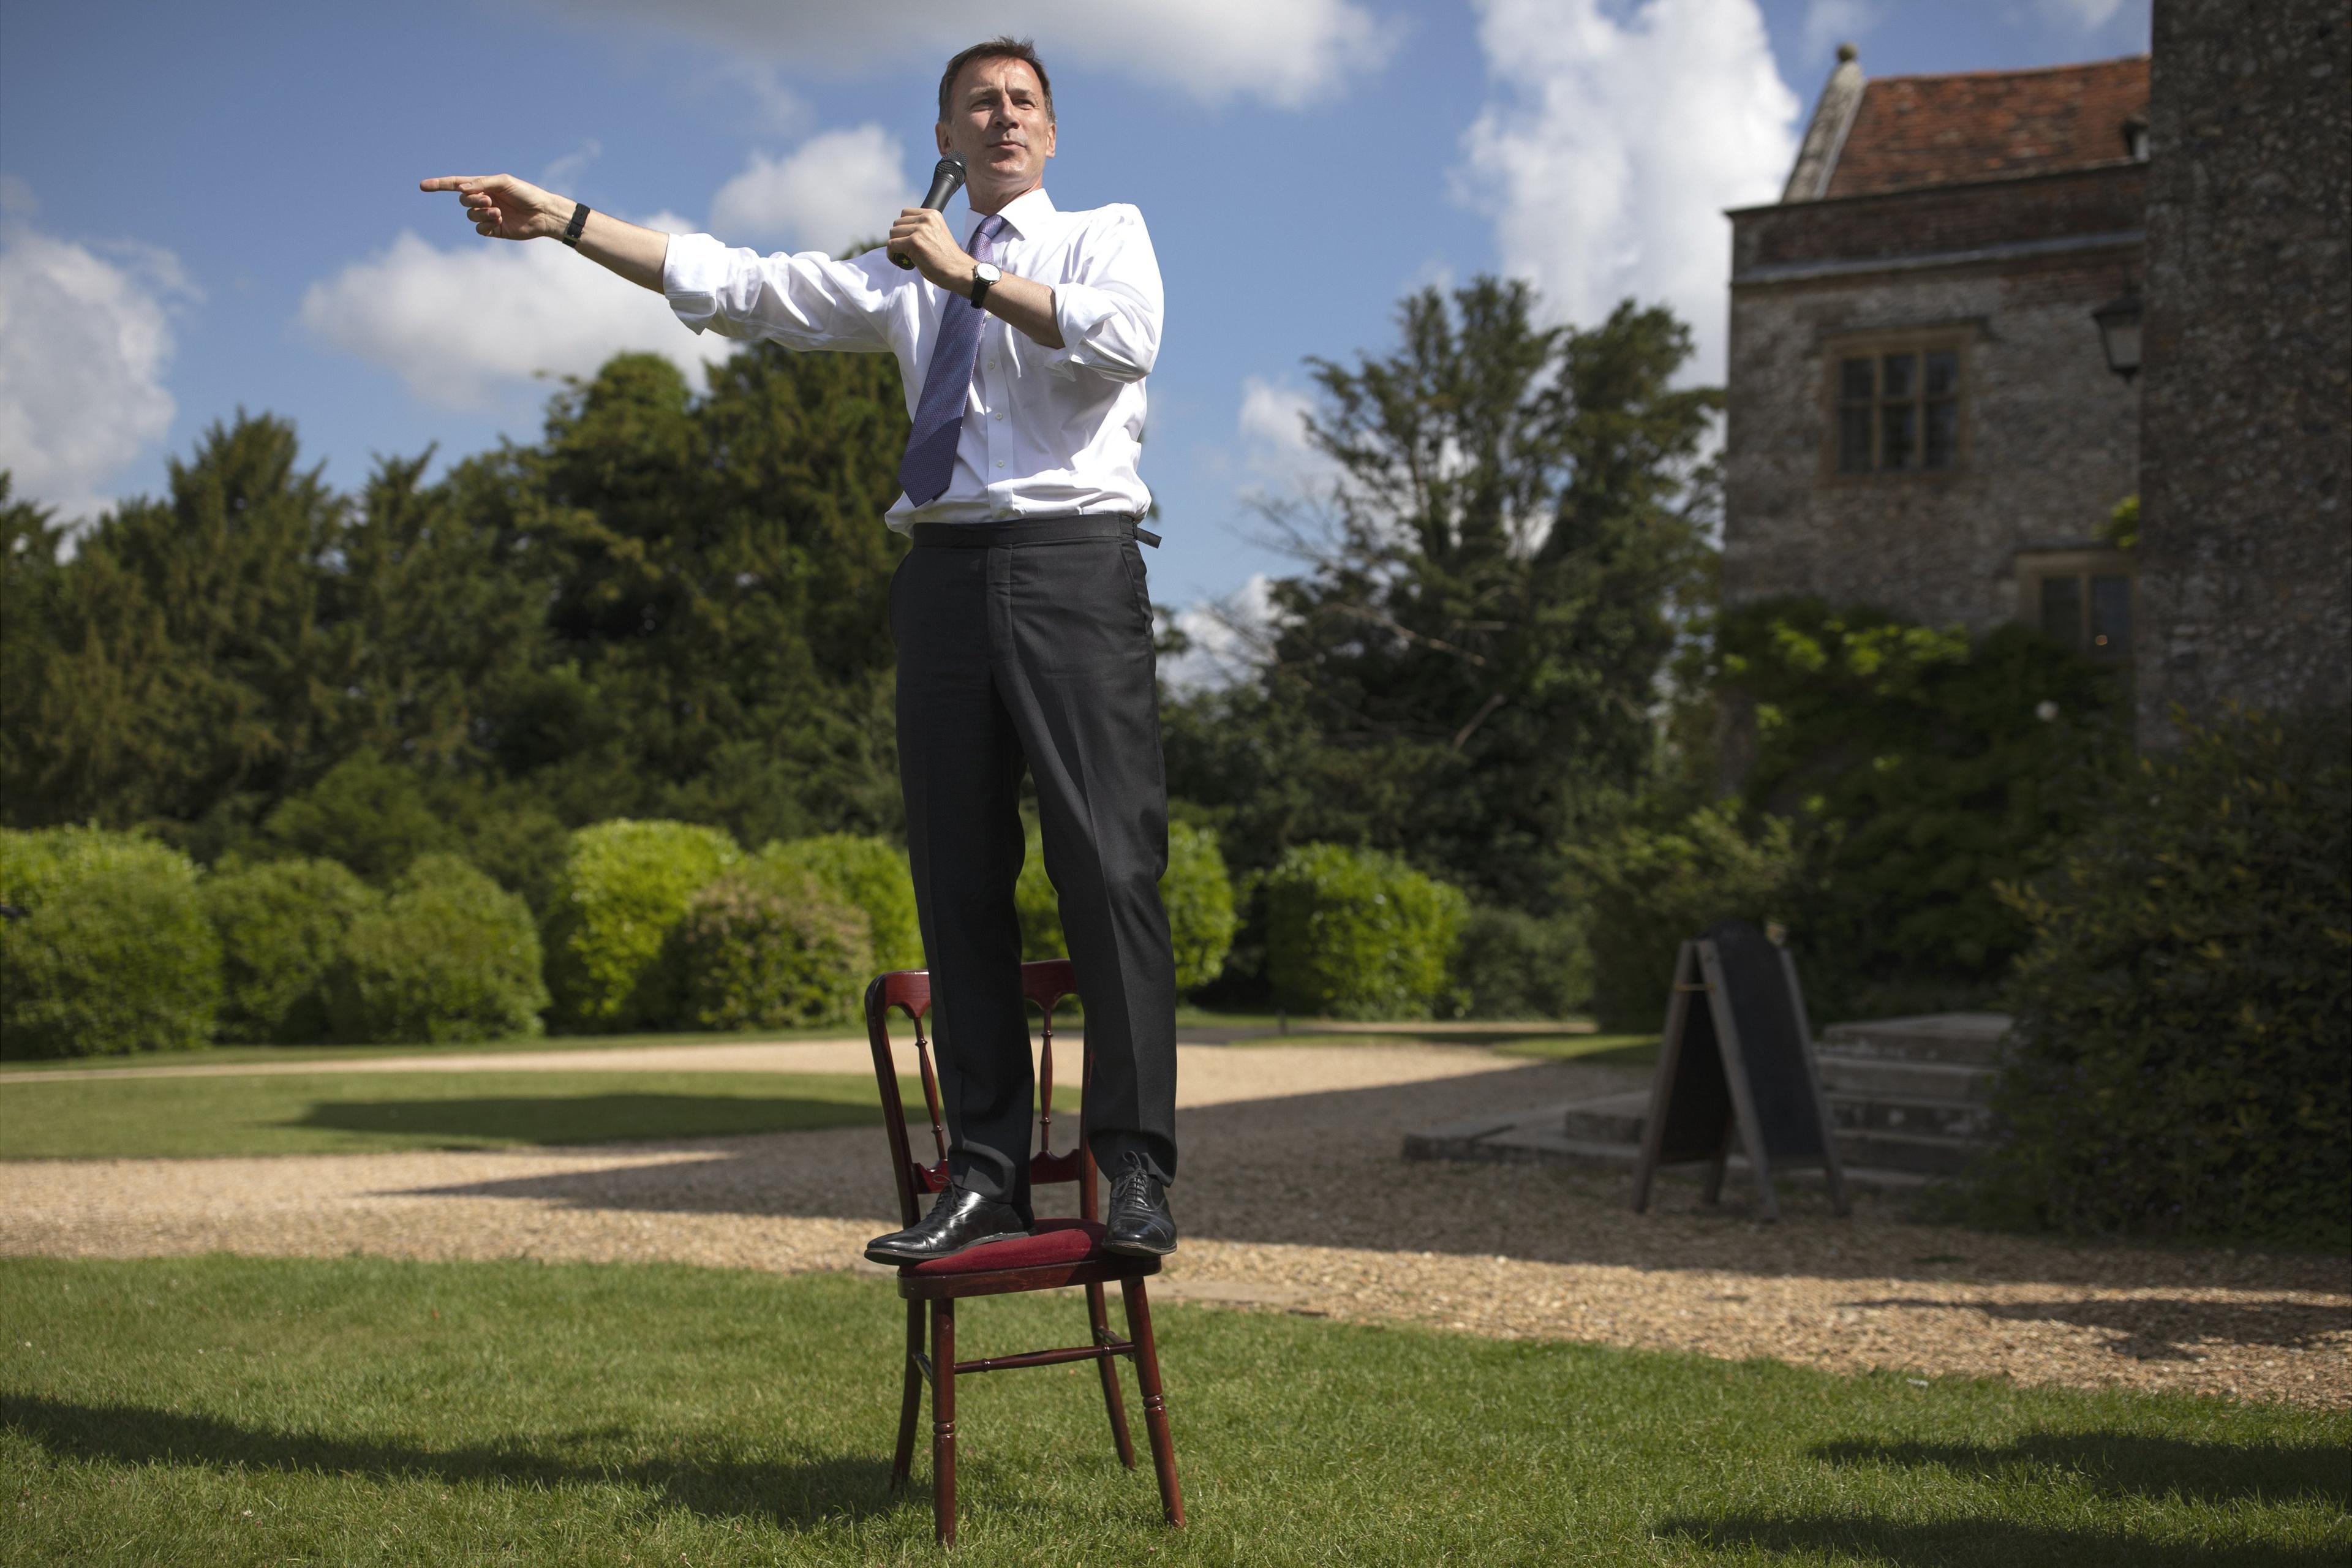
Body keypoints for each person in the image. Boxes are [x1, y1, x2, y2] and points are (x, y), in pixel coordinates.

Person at [420, 36, 1178, 1262]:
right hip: (939, 579)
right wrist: (564, 218)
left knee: (1109, 869)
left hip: (1071, 567)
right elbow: (739, 283)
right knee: (957, 884)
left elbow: (1117, 341)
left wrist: (969, 278)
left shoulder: (1102, 232)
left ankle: (1134, 1170)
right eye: (978, 103)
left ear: (1050, 132)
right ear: (945, 138)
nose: (1003, 116)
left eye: (1023, 101)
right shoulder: (903, 281)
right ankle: (985, 1171)